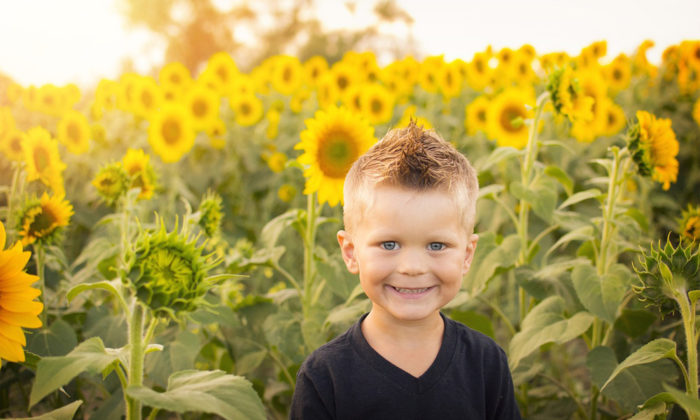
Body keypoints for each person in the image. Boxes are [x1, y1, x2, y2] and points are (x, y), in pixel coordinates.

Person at [290, 121, 521, 419]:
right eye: (389, 244)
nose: (412, 268)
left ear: (467, 255)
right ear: (351, 252)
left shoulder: (486, 364)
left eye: (436, 246)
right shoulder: (325, 377)